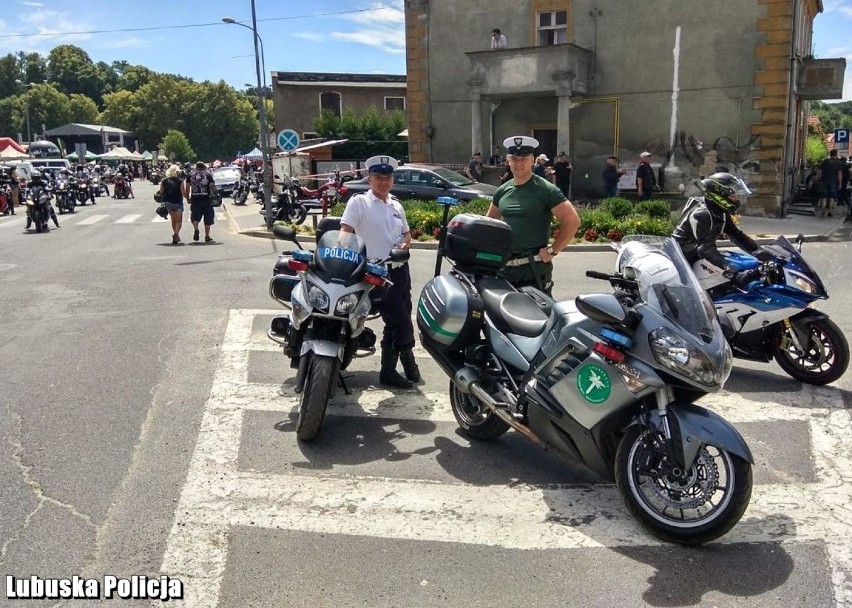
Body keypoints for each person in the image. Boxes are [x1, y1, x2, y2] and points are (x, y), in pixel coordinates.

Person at [340, 155, 419, 389]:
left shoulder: (396, 205)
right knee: (400, 322)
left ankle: (399, 364)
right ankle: (400, 366)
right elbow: (345, 232)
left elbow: (406, 234)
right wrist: (345, 255)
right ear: (370, 179)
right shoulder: (359, 203)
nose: (383, 182)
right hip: (372, 273)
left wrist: (406, 243)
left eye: (387, 177)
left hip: (399, 271)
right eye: (378, 177)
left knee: (401, 317)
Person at [487, 135, 581, 295]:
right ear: (508, 161)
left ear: (532, 160)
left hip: (532, 270)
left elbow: (572, 221)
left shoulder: (545, 189)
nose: (518, 163)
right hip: (504, 271)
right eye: (514, 158)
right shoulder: (502, 190)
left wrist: (553, 250)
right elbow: (489, 224)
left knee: (538, 317)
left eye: (524, 158)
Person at [672, 173, 761, 287]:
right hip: (681, 260)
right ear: (719, 196)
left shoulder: (720, 210)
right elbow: (706, 249)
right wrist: (734, 274)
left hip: (696, 257)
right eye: (733, 196)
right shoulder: (702, 214)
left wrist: (760, 252)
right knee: (694, 299)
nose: (737, 199)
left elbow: (736, 235)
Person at [181, 161, 218, 243]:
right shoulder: (208, 175)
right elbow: (212, 186)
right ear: (204, 167)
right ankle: (207, 236)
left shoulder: (190, 175)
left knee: (195, 216)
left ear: (196, 167)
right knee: (208, 217)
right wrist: (217, 194)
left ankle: (196, 228)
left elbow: (187, 188)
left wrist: (187, 198)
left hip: (195, 198)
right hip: (207, 198)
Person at [158, 164, 185, 245]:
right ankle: (176, 233)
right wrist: (188, 198)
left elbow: (161, 192)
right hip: (178, 202)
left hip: (168, 202)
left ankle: (176, 235)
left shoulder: (164, 181)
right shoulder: (180, 181)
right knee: (179, 220)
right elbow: (183, 192)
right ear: (177, 172)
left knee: (173, 220)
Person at [816, 149, 844, 218]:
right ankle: (829, 211)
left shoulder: (825, 162)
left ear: (830, 154)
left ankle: (823, 209)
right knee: (831, 198)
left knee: (824, 197)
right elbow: (839, 174)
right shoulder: (838, 163)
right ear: (836, 154)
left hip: (824, 181)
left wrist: (818, 178)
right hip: (833, 182)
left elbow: (820, 171)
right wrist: (840, 183)